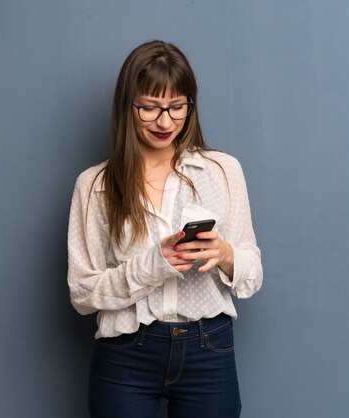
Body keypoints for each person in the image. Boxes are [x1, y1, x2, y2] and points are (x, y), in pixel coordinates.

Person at [67, 40, 263, 418]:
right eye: (150, 108)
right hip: (126, 354)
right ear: (128, 106)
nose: (165, 122)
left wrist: (224, 255)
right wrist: (154, 264)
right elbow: (82, 293)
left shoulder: (222, 171)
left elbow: (252, 276)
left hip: (209, 349)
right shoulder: (95, 185)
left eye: (177, 107)